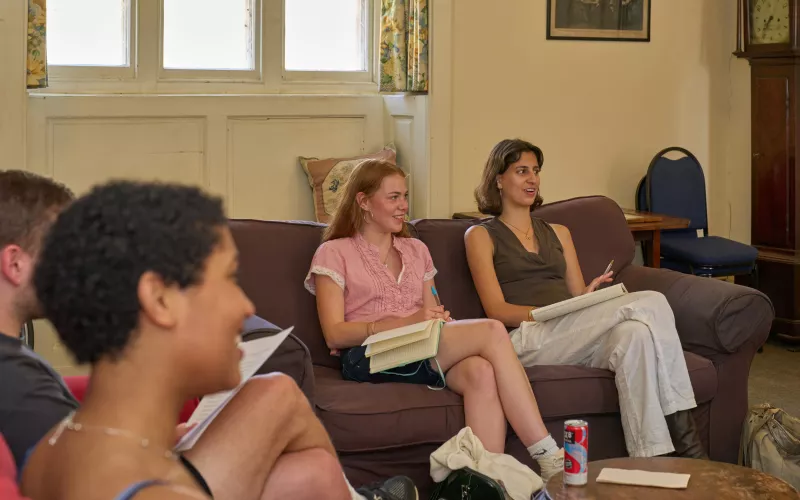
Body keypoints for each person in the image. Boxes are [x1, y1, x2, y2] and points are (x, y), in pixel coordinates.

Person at [0, 171, 414, 500]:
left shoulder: (18, 363)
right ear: (15, 264)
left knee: (312, 470)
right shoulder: (11, 373)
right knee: (275, 396)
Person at [304, 159, 565, 481]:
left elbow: (430, 307)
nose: (403, 206)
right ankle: (548, 455)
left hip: (420, 345)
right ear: (364, 202)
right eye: (393, 197)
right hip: (368, 354)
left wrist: (435, 318)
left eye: (405, 196)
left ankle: (486, 484)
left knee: (481, 372)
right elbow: (334, 335)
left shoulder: (416, 250)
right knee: (492, 330)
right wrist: (407, 322)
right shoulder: (334, 253)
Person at [463, 139, 707, 459]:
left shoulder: (559, 232)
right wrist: (551, 312)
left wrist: (586, 299)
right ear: (498, 179)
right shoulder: (480, 235)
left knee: (636, 335)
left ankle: (650, 462)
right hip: (525, 339)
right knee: (651, 302)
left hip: (570, 333)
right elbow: (496, 309)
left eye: (535, 171)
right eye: (521, 171)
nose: (532, 179)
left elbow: (577, 294)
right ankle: (689, 443)